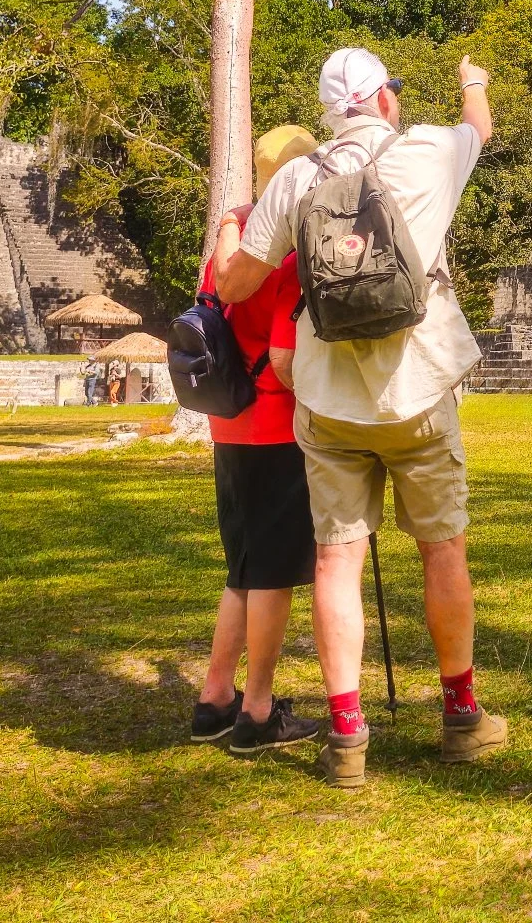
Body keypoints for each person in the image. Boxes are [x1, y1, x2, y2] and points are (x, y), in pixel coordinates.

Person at [217, 47, 504, 789]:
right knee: (443, 550)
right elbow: (481, 124)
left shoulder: (295, 181)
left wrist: (237, 224)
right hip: (416, 389)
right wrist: (472, 81)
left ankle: (347, 733)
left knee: (336, 561)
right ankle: (462, 713)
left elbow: (236, 281)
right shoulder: (428, 155)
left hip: (329, 400)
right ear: (383, 101)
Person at [193, 124, 325, 754]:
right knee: (272, 574)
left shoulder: (229, 241)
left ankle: (215, 696)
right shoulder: (292, 249)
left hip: (227, 420)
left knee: (242, 568)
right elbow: (283, 356)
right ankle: (257, 708)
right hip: (276, 424)